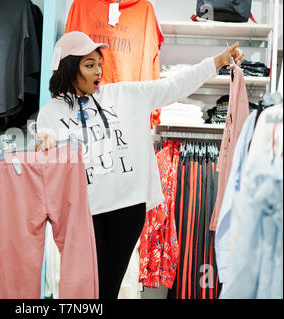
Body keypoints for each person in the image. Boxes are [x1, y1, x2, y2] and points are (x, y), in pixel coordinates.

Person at [35, 31, 244, 299]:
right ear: (68, 68)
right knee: (82, 288)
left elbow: (172, 86)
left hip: (126, 209)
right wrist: (45, 144)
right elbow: (46, 159)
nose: (98, 71)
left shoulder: (123, 95)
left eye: (99, 63)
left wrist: (216, 61)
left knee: (107, 286)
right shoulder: (51, 113)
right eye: (89, 65)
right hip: (83, 212)